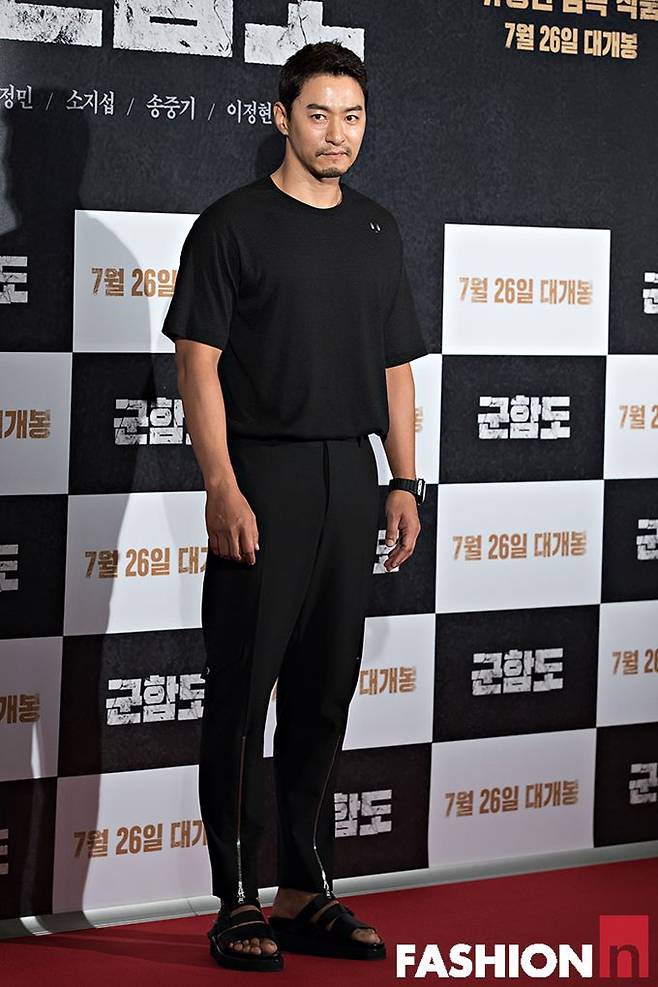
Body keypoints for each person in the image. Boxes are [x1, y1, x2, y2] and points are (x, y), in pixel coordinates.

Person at [161, 40, 428, 973]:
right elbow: (197, 365)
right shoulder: (231, 225)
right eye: (319, 114)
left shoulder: (379, 228)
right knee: (242, 695)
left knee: (324, 691)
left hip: (350, 479)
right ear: (282, 117)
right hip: (262, 476)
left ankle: (305, 888)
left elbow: (396, 368)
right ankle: (236, 896)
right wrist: (221, 483)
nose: (337, 134)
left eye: (352, 117)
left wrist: (404, 478)